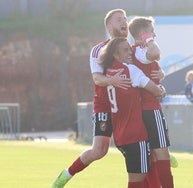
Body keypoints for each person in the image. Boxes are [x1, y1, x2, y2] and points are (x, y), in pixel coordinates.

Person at [52, 9, 132, 188]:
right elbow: (97, 79)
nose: (124, 22)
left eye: (125, 19)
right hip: (105, 105)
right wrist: (113, 80)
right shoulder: (99, 50)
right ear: (109, 25)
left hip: (127, 106)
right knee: (99, 151)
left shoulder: (132, 49)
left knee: (135, 143)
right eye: (119, 19)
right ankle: (66, 175)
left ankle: (160, 151)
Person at [100, 37, 166, 187]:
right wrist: (161, 90)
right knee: (137, 181)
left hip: (120, 136)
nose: (130, 52)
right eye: (126, 50)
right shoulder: (130, 70)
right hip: (136, 136)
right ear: (116, 55)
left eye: (130, 48)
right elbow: (155, 90)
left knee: (139, 179)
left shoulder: (108, 72)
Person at [129, 16, 174, 187]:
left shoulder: (134, 52)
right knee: (162, 153)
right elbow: (155, 53)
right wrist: (149, 40)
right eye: (151, 31)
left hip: (139, 109)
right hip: (150, 108)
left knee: (151, 155)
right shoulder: (142, 50)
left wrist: (161, 73)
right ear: (143, 34)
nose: (154, 34)